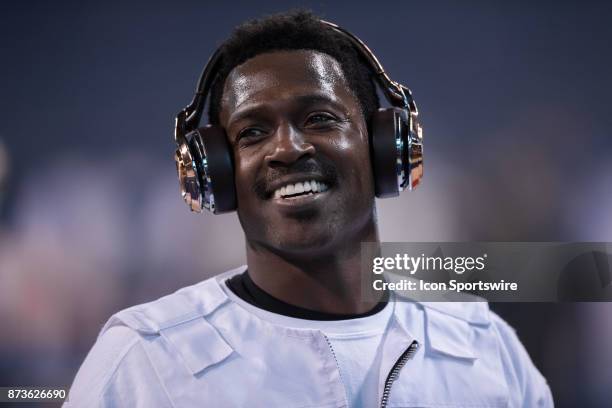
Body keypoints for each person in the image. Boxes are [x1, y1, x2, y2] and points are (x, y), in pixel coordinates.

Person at [65, 11, 553, 407]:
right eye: (252, 132)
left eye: (319, 118)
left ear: (386, 148)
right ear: (214, 174)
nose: (287, 148)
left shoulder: (485, 348)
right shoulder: (145, 363)